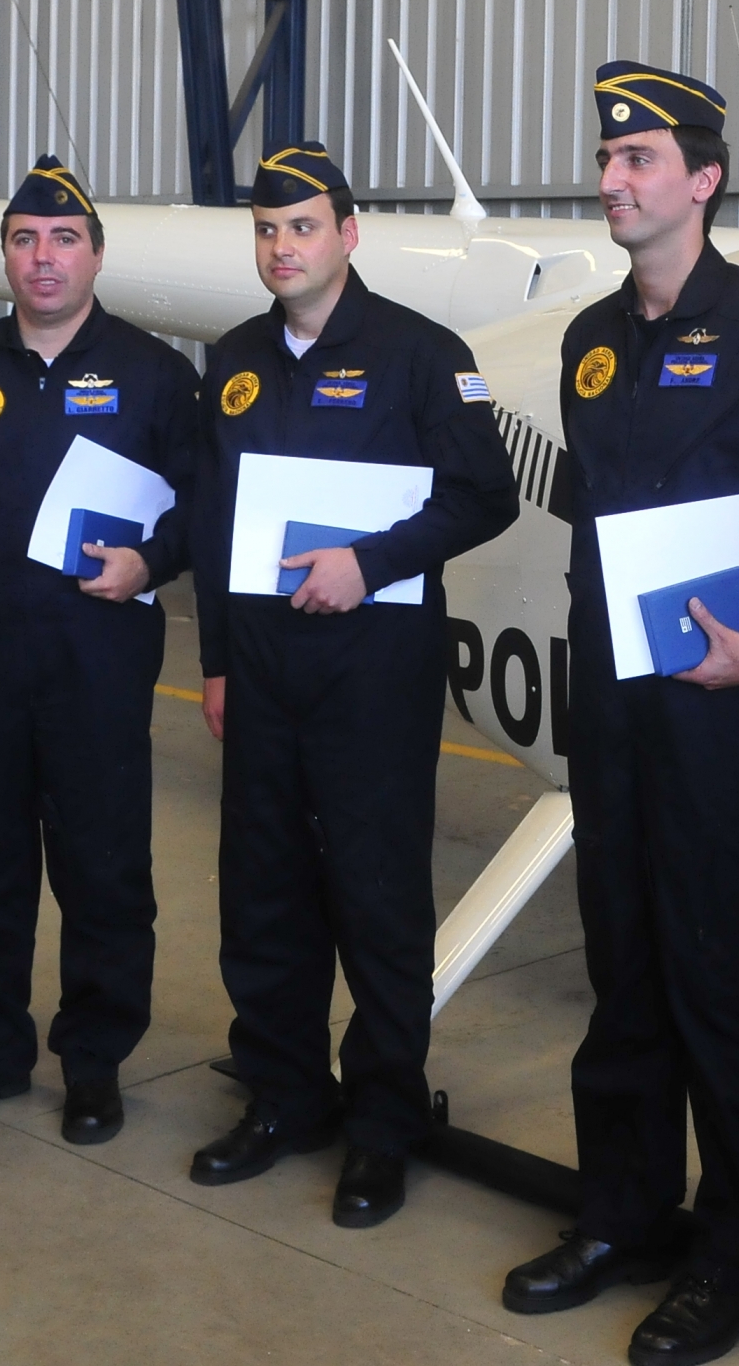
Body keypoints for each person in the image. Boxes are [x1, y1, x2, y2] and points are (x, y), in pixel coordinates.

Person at [501, 65, 739, 1365]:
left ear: (703, 178)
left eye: (641, 157)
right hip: (617, 720)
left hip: (722, 727)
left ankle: (734, 1255)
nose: (615, 178)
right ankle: (620, 1218)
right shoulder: (592, 343)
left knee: (721, 990)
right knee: (624, 979)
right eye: (609, 157)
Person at [188, 141, 518, 1227]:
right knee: (264, 894)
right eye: (267, 229)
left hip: (373, 675)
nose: (283, 247)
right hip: (267, 676)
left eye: (304, 226)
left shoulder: (423, 356)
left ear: (348, 233)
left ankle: (382, 1122)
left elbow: (485, 494)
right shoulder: (233, 359)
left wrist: (370, 560)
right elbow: (213, 519)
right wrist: (221, 664)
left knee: (377, 902)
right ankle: (283, 1094)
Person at [0, 155, 199, 1146]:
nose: (44, 256)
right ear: (6, 256)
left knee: (103, 869)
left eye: (64, 238)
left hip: (98, 663)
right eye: (25, 239)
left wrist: (147, 564)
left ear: (97, 254)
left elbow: (204, 511)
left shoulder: (156, 375)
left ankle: (94, 1059)